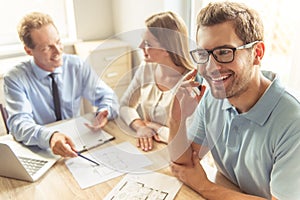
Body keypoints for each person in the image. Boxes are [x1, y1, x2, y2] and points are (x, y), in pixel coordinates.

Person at [168, 1, 300, 200]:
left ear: (257, 53)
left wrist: (204, 187)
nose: (211, 68)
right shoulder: (214, 98)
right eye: (203, 54)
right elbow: (183, 164)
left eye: (223, 52)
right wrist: (175, 118)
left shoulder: (293, 121)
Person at [3, 12, 119, 157]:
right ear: (28, 50)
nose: (58, 51)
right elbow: (19, 124)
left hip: (77, 143)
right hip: (42, 149)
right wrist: (50, 137)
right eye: (47, 48)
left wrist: (104, 111)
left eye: (58, 42)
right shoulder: (15, 78)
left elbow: (108, 96)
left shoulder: (76, 65)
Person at [119, 11, 205, 152]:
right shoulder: (146, 68)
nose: (140, 46)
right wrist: (141, 126)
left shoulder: (193, 82)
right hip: (151, 149)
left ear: (167, 48)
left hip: (182, 156)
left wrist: (154, 127)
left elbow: (190, 138)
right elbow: (124, 106)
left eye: (147, 43)